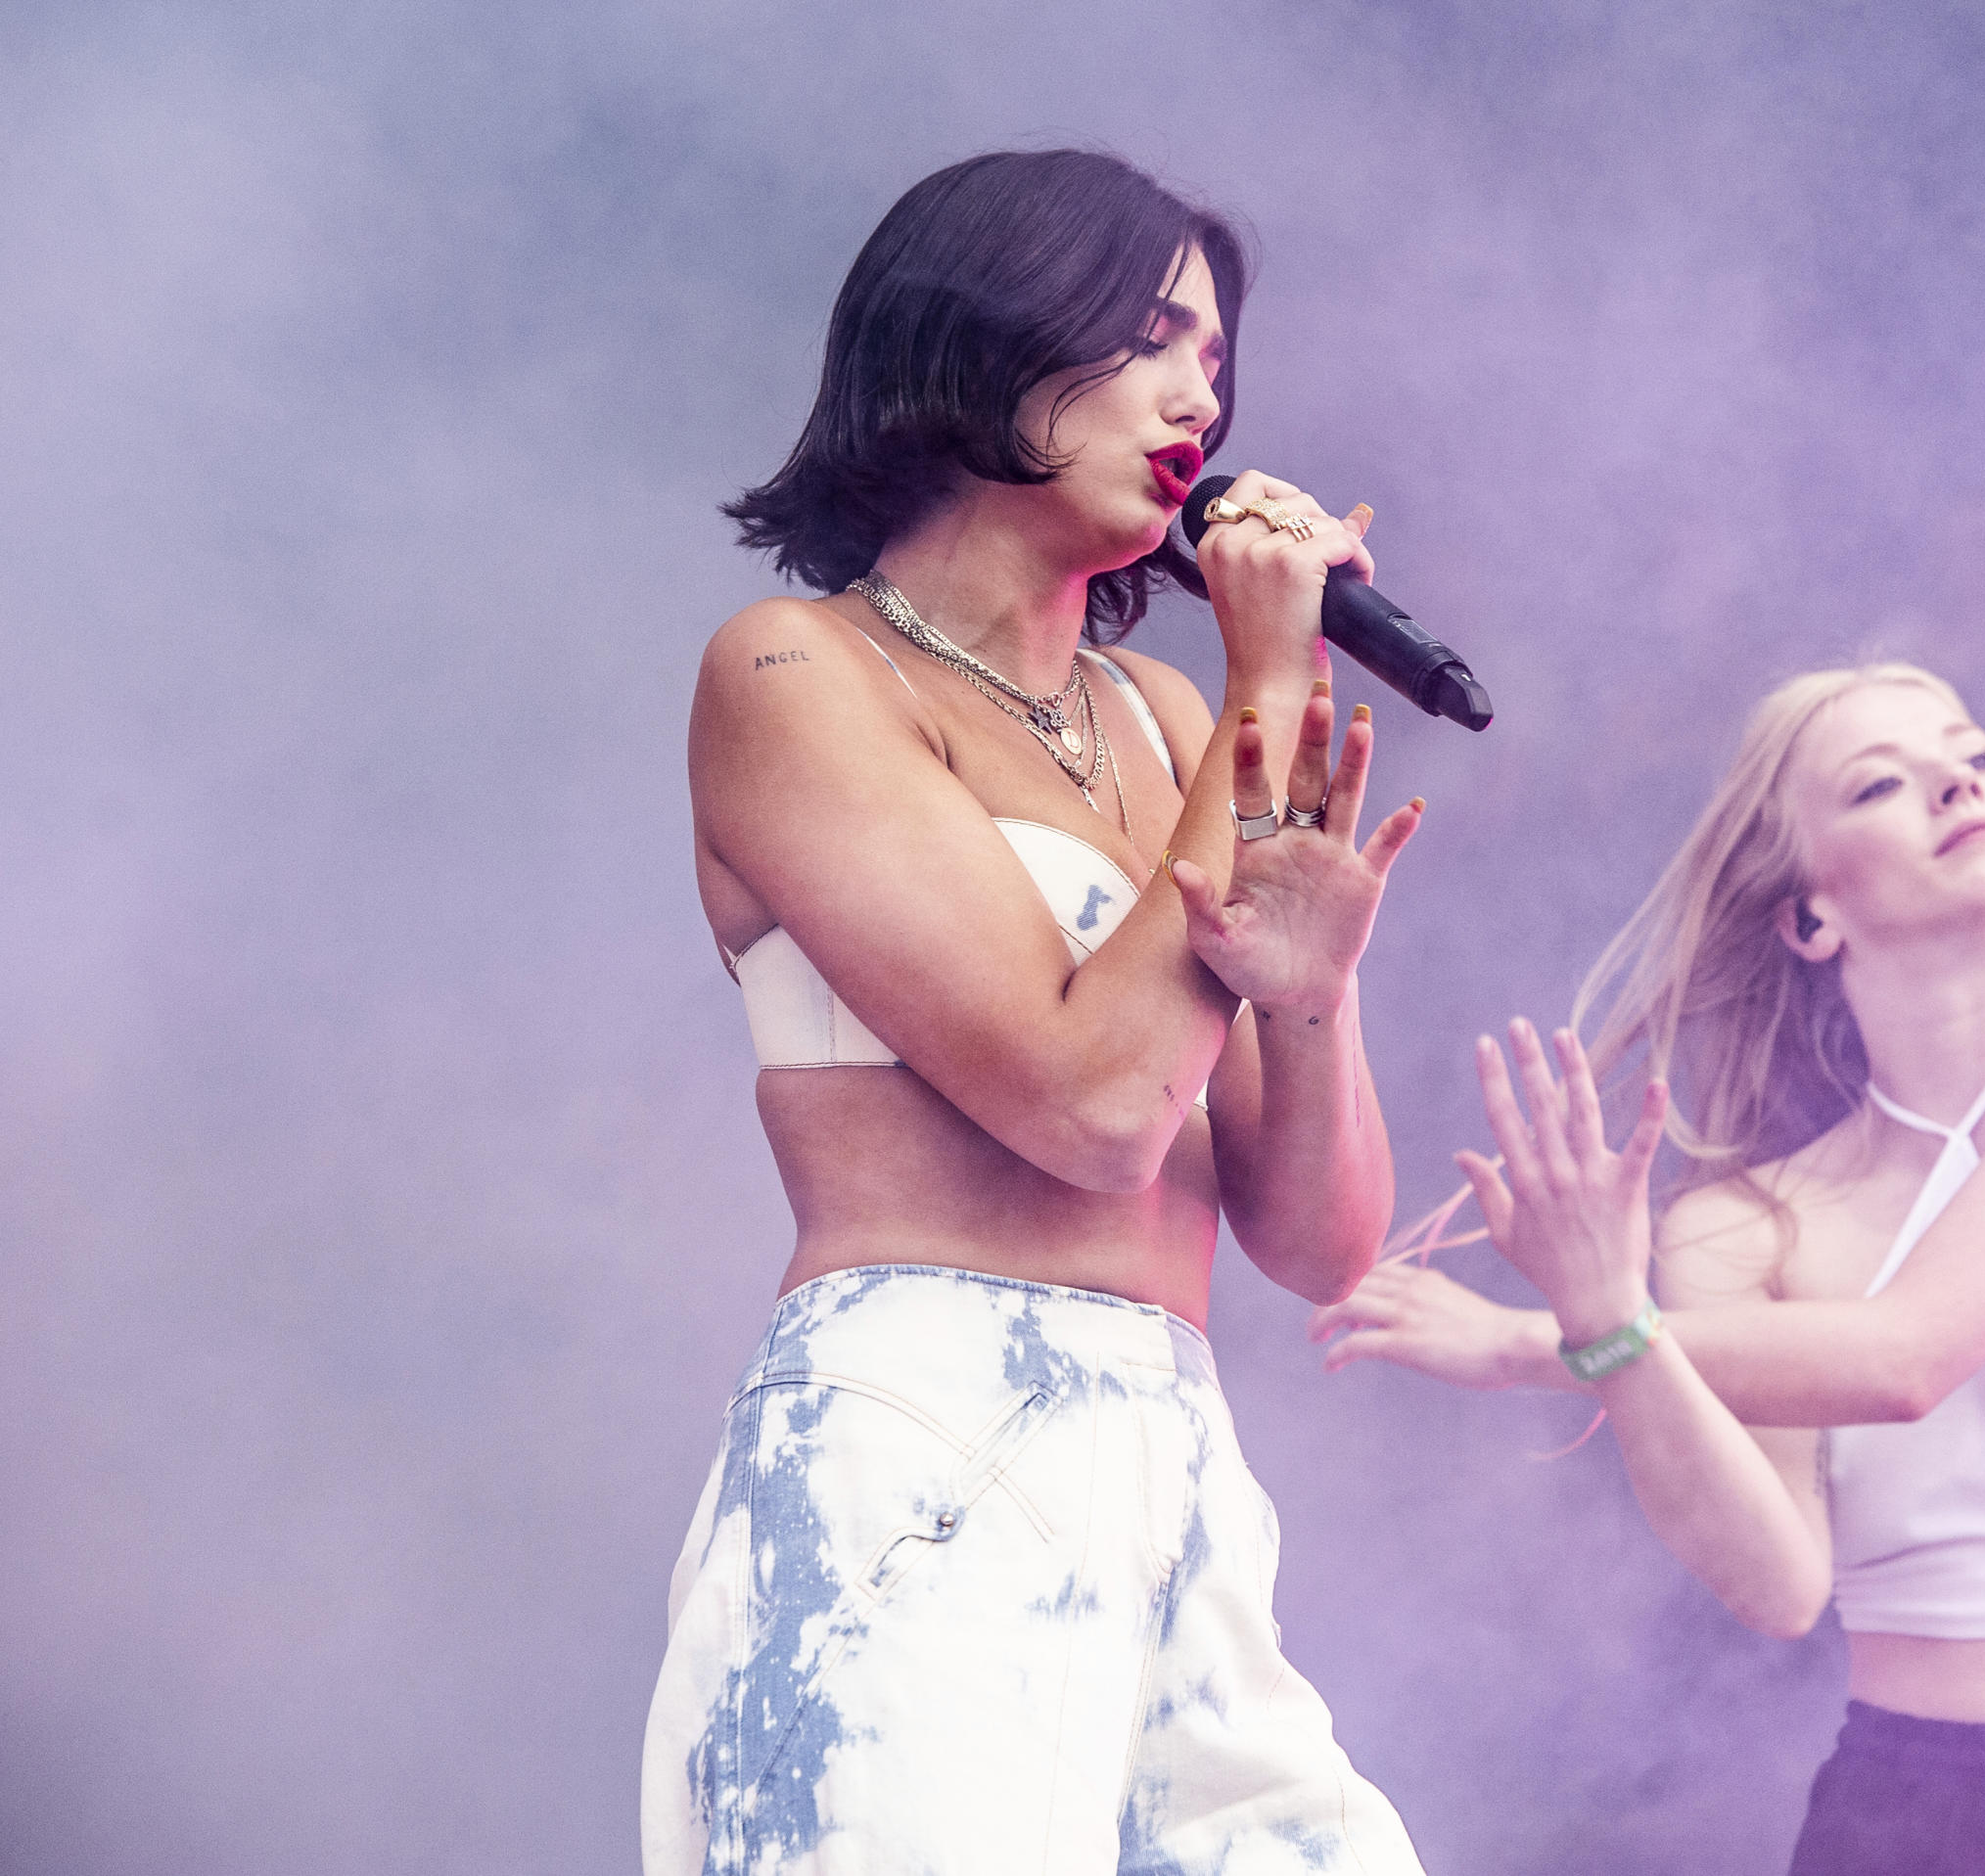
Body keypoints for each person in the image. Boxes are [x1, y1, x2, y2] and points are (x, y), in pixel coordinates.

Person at [640, 150, 1429, 1876]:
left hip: (1171, 1454)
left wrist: (1308, 1001)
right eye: (1148, 335)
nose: (1196, 395)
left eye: (1213, 359)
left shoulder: (1158, 718)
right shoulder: (793, 674)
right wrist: (1272, 689)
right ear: (984, 335)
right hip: (921, 1445)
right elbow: (1092, 1109)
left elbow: (1317, 1238)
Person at [1314, 662, 1985, 1873]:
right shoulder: (1745, 1228)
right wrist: (1607, 1323)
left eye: (1978, 757)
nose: (1960, 783)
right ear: (1809, 916)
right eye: (1883, 783)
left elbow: (1910, 1356)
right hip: (1908, 1819)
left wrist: (1544, 1340)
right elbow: (1780, 1585)